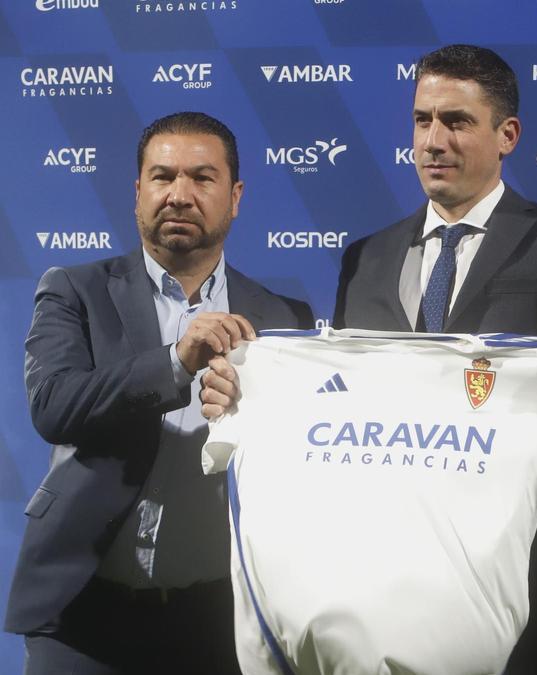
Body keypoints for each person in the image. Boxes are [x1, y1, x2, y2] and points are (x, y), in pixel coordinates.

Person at [202, 44, 537, 674]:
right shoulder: (365, 257)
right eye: (422, 119)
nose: (433, 140)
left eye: (456, 121)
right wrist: (250, 405)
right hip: (381, 592)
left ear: (507, 134)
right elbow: (338, 404)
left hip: (525, 585)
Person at [4, 111, 314, 674]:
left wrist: (253, 417)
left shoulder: (283, 317)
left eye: (202, 177)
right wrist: (175, 362)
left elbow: (299, 458)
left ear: (236, 195)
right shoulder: (75, 289)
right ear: (137, 191)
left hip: (218, 618)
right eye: (162, 176)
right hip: (82, 614)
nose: (179, 194)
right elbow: (54, 405)